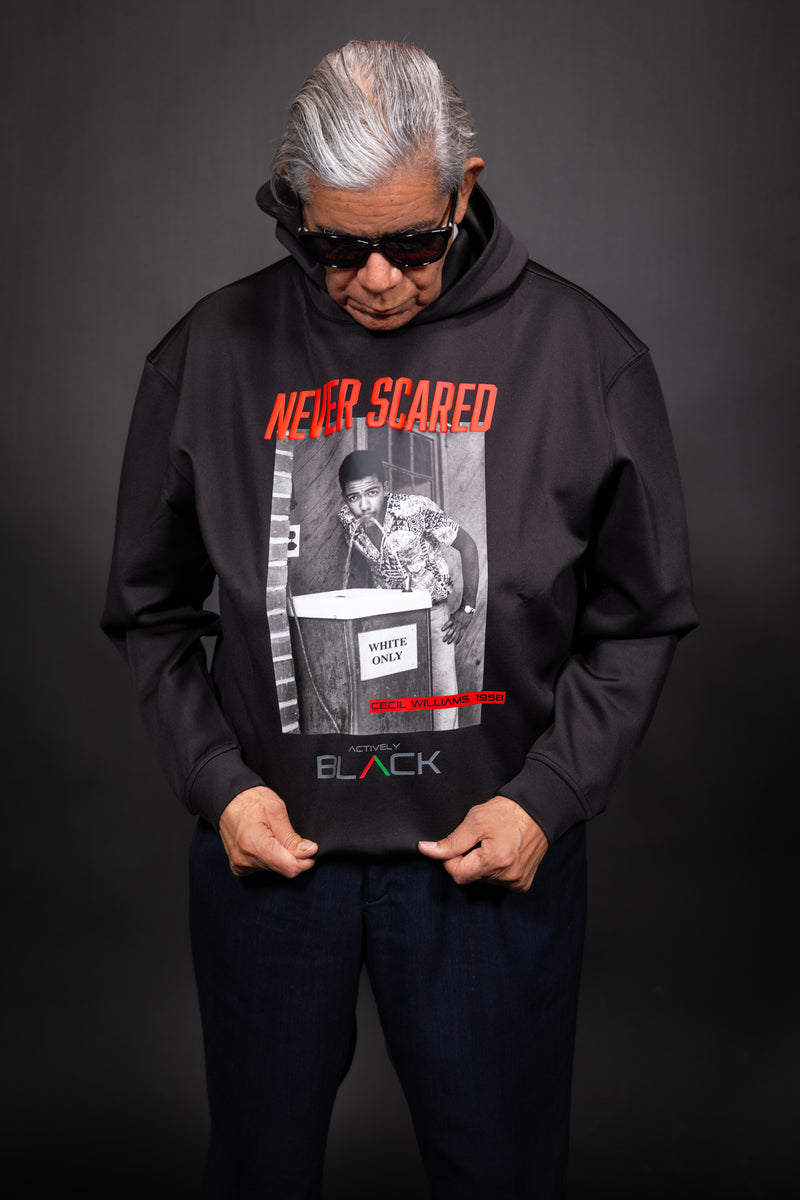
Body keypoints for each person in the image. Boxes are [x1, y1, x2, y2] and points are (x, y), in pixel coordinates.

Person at [102, 40, 697, 1199]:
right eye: (337, 247)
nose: (375, 279)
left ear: (463, 191)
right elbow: (148, 608)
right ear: (293, 208)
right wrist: (218, 784)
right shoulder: (206, 356)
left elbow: (638, 619)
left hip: (486, 865)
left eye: (411, 244)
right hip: (273, 864)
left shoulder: (583, 356)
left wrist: (546, 799)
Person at [337, 448, 479, 730]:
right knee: (395, 694)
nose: (364, 505)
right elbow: (359, 564)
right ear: (345, 498)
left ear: (385, 487)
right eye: (354, 497)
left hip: (432, 615)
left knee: (442, 697)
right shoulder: (347, 518)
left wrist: (468, 608)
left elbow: (468, 546)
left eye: (372, 493)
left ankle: (445, 751)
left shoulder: (416, 508)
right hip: (386, 617)